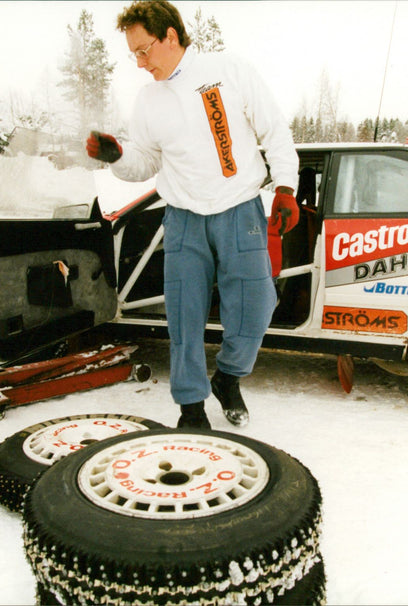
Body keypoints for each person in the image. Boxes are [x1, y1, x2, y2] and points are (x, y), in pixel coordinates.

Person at [86, 0, 300, 429]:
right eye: (133, 54)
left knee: (257, 304)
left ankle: (229, 376)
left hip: (239, 208)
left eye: (144, 50)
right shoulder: (148, 99)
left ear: (170, 36)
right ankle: (190, 406)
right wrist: (118, 155)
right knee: (185, 315)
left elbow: (274, 130)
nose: (140, 62)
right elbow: (145, 162)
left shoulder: (229, 70)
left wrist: (286, 187)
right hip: (183, 215)